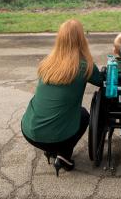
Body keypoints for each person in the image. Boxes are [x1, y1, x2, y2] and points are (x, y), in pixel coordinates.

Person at [21, 19, 103, 176]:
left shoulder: (48, 62)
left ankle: (50, 150)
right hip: (55, 135)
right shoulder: (84, 66)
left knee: (53, 114)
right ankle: (64, 156)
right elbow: (101, 81)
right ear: (81, 39)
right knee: (84, 115)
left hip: (29, 130)